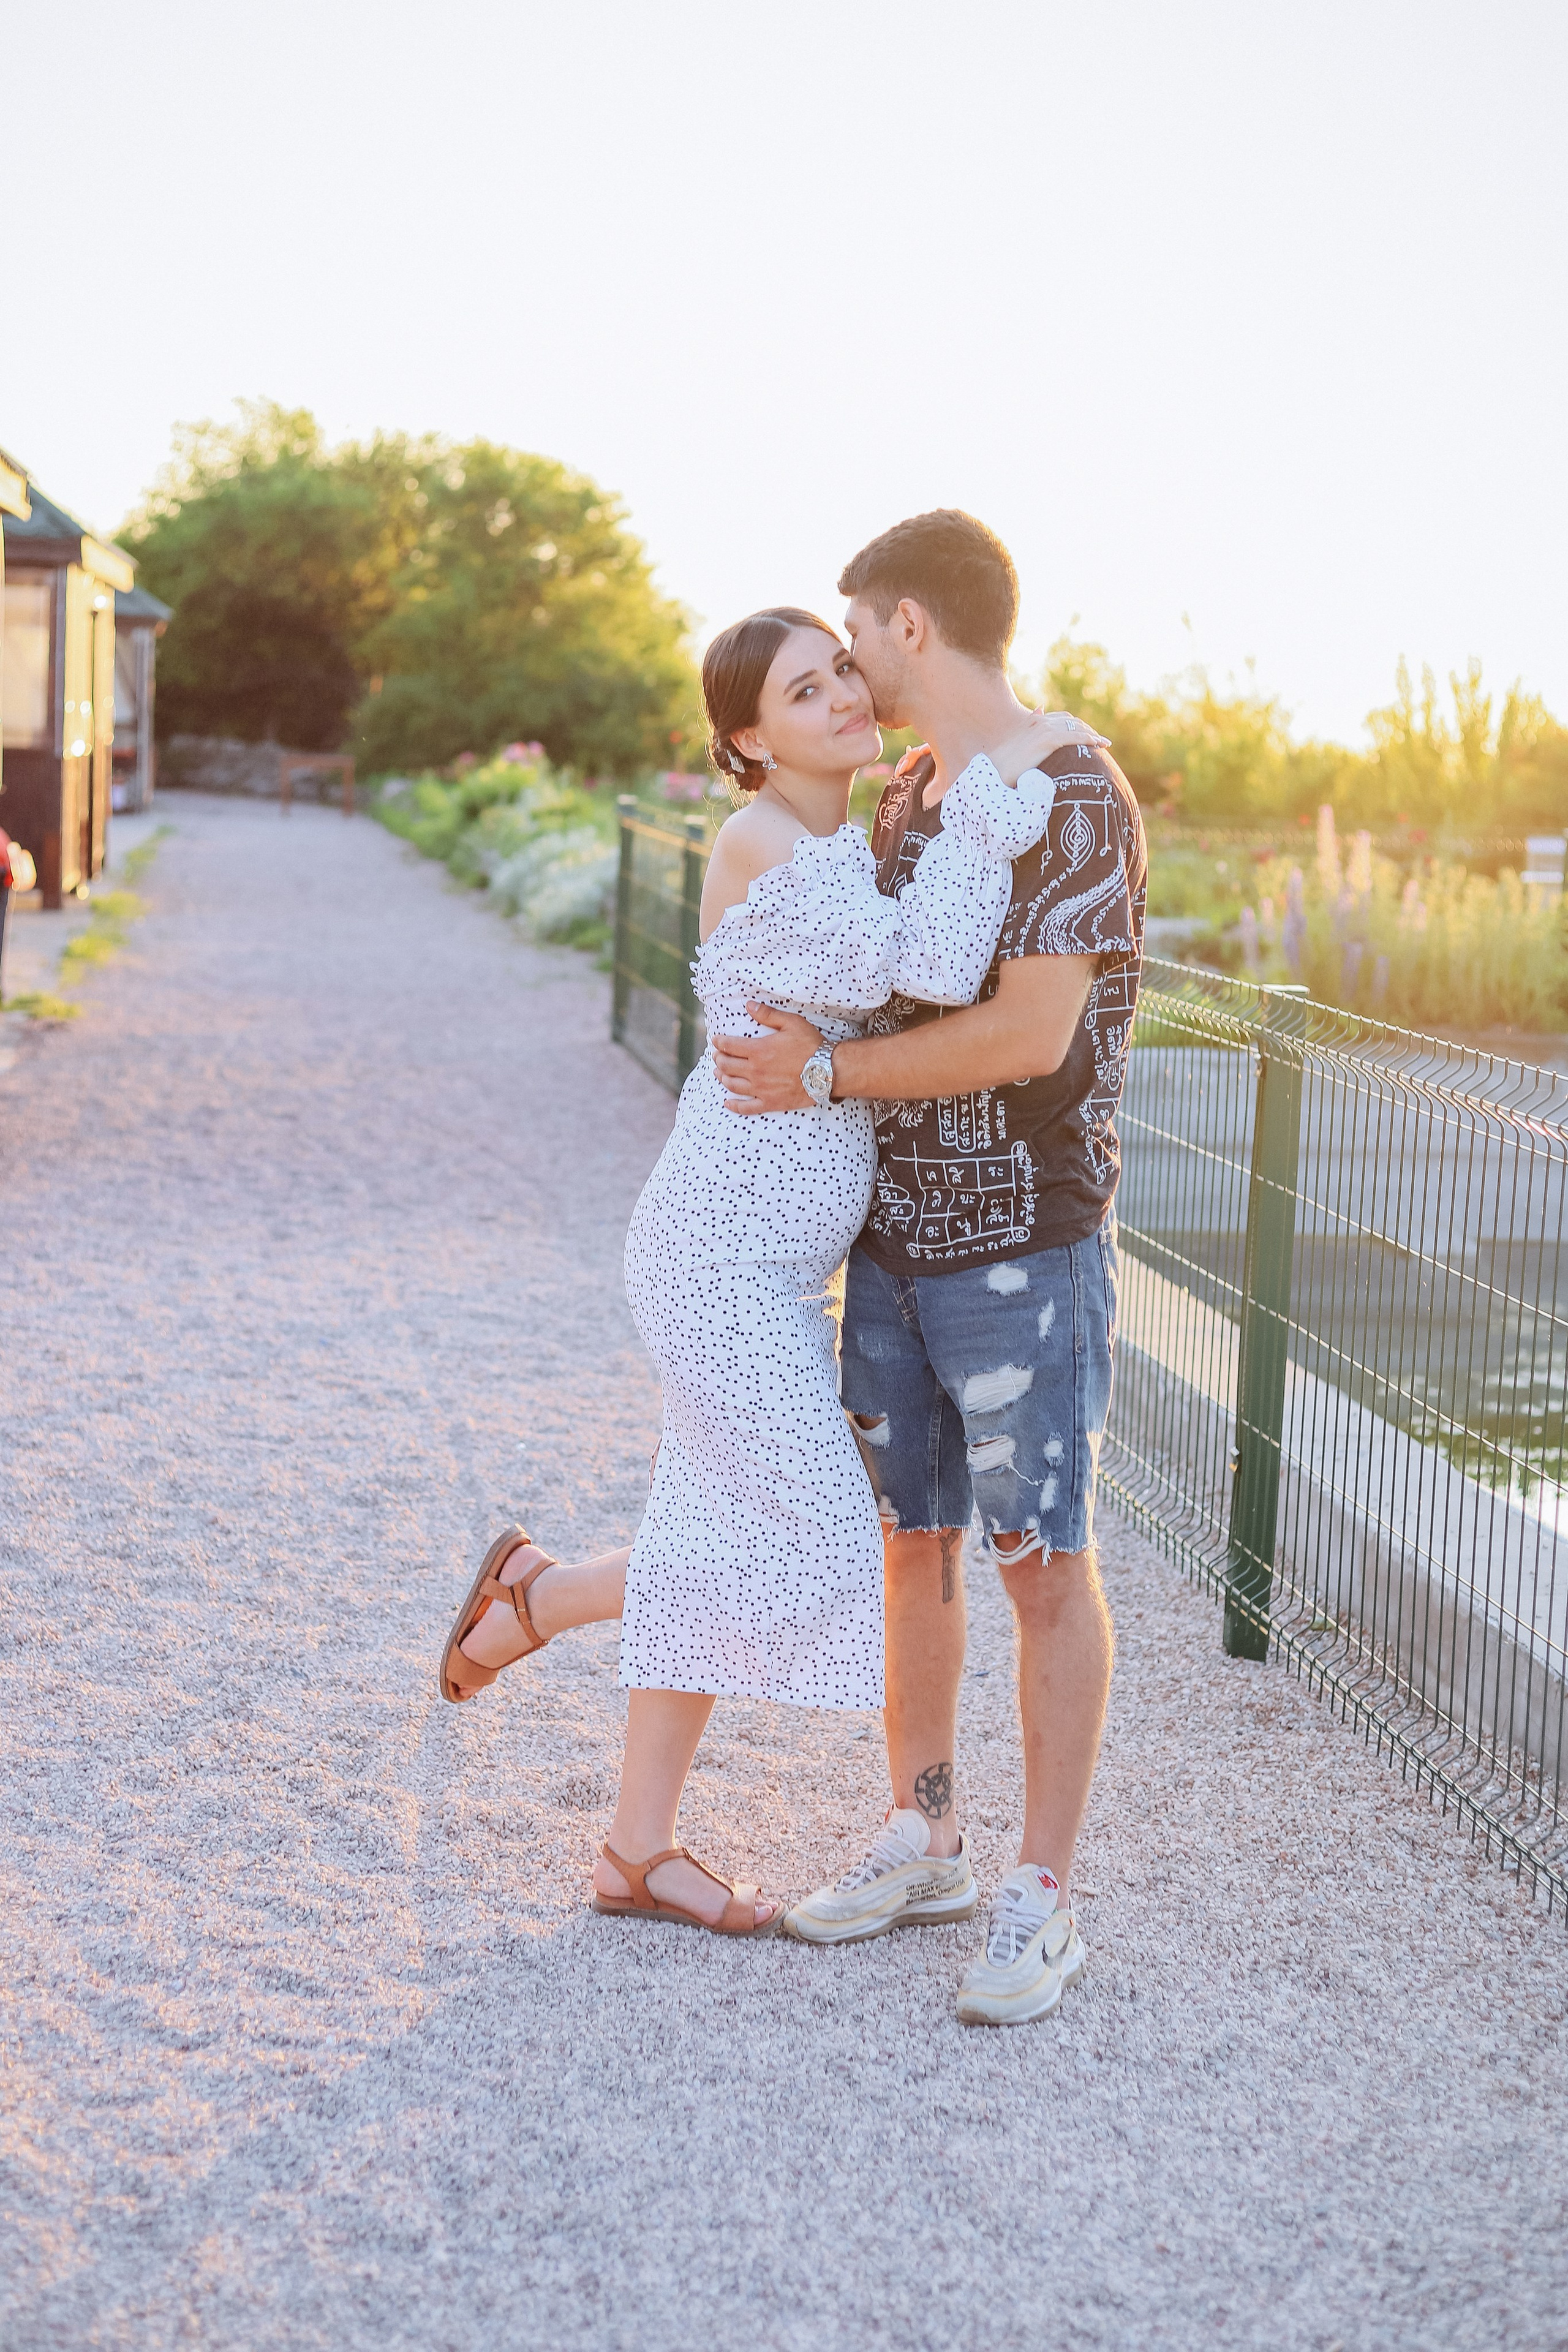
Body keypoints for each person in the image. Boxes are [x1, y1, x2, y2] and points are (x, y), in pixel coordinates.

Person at [437, 602, 1102, 1940]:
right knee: (819, 1537)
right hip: (719, 1266)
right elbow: (936, 966)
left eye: (844, 671)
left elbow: (894, 981)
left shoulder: (841, 842)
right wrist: (997, 799)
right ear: (747, 741)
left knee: (715, 1522)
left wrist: (961, 804)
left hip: (769, 1275)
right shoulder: (762, 841)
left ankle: (634, 1849)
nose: (846, 697)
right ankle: (541, 1598)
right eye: (805, 692)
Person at [713, 511, 1147, 2025]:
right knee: (914, 1545)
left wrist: (821, 1076)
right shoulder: (908, 795)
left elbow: (1027, 1033)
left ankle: (1043, 1895)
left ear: (909, 623)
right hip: (889, 1248)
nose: (849, 667)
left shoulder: (1073, 791)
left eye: (854, 636)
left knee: (1041, 1563)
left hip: (1023, 1249)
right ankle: (926, 1836)